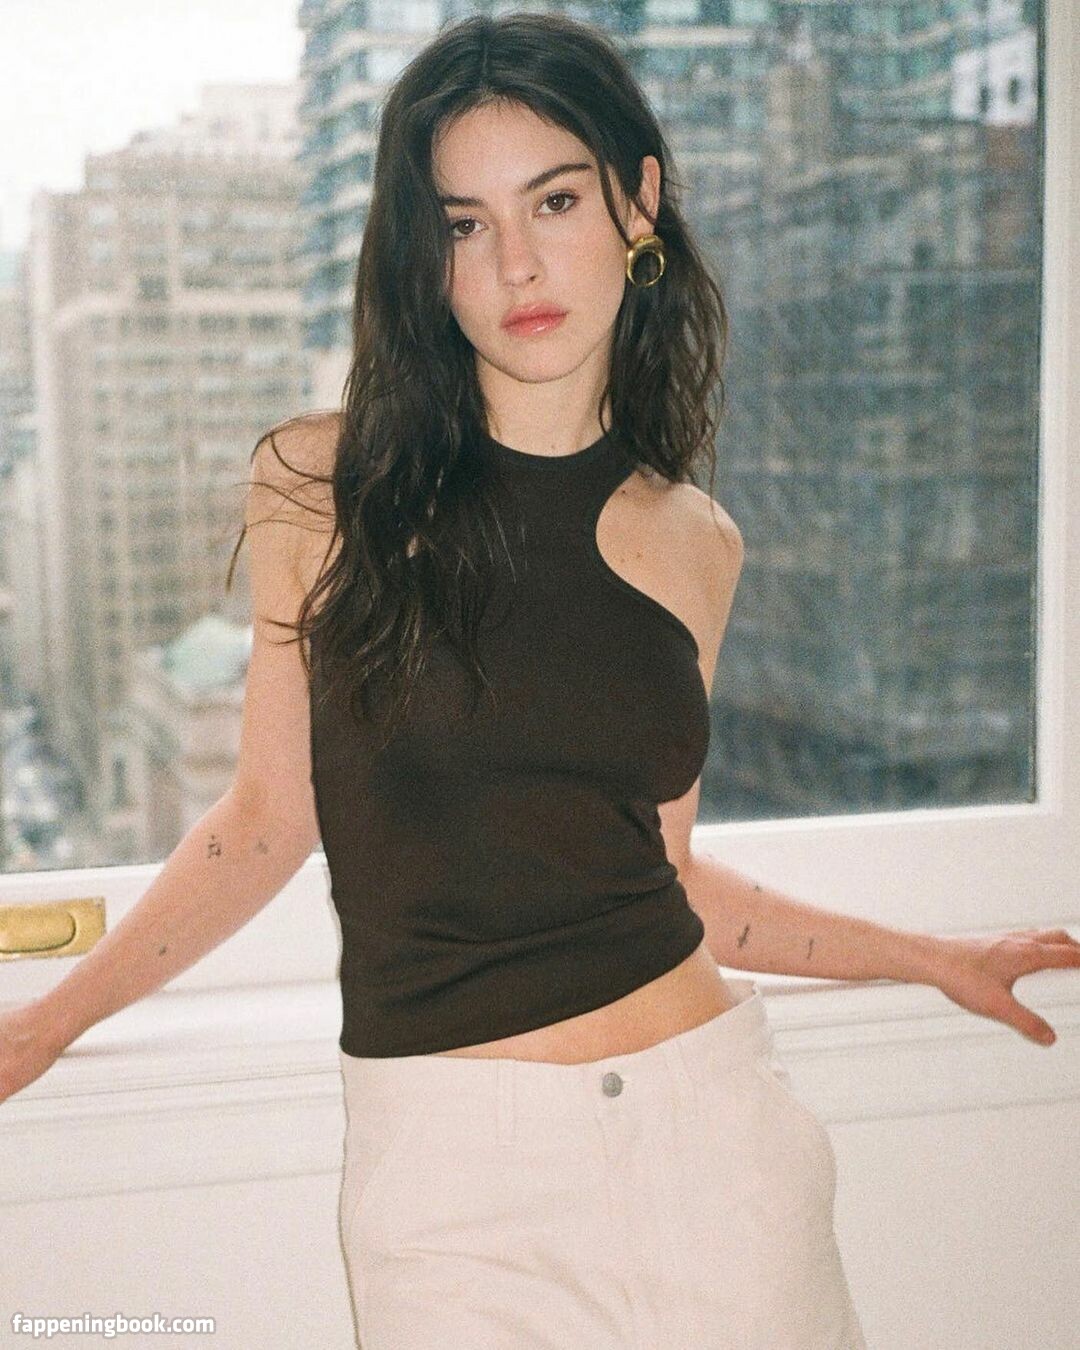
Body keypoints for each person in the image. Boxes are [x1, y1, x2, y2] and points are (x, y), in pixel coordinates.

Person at [2, 11, 1077, 1349]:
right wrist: (46, 1022)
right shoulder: (320, 487)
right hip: (452, 1186)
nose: (515, 262)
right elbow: (265, 821)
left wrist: (935, 957)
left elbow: (665, 877)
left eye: (555, 201)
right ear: (426, 258)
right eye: (465, 224)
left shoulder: (695, 542)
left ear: (639, 201)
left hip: (713, 1144)